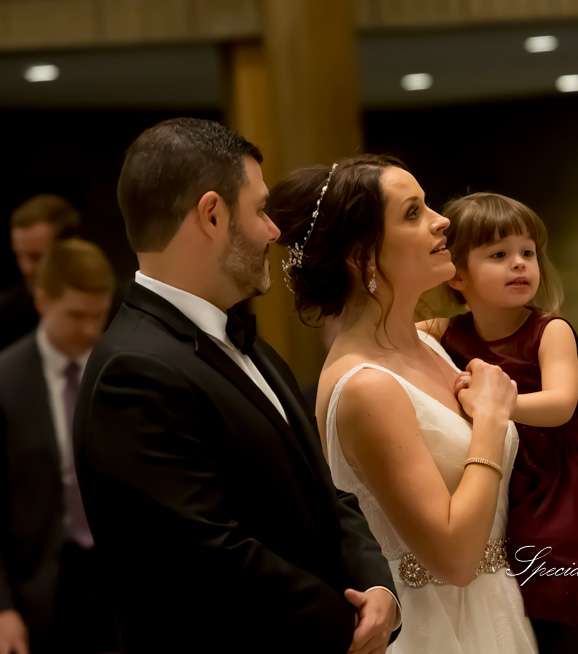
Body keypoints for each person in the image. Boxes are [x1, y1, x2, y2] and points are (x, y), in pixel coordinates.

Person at [73, 118, 399, 654]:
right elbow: (206, 552)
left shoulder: (252, 346)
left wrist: (378, 585)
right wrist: (346, 622)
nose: (273, 231)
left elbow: (327, 491)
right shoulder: (134, 370)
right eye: (261, 210)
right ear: (212, 214)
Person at [268, 155, 545, 653]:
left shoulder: (429, 346)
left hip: (500, 607)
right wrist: (491, 419)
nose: (443, 222)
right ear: (363, 256)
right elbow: (456, 559)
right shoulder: (365, 387)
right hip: (438, 626)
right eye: (414, 213)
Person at [418, 192, 578, 653]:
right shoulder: (440, 332)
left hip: (557, 481)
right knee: (504, 590)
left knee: (548, 598)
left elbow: (558, 404)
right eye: (499, 255)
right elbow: (395, 336)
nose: (519, 264)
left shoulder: (550, 330)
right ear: (456, 274)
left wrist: (494, 405)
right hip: (500, 471)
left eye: (527, 253)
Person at [0, 239, 117, 654]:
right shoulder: (6, 381)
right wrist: (3, 608)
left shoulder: (119, 371)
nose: (89, 329)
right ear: (42, 300)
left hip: (117, 580)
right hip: (39, 589)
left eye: (98, 315)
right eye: (76, 316)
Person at [0, 195, 81, 351]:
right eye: (19, 255)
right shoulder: (5, 314)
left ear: (70, 248)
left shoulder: (110, 305)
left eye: (36, 257)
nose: (26, 268)